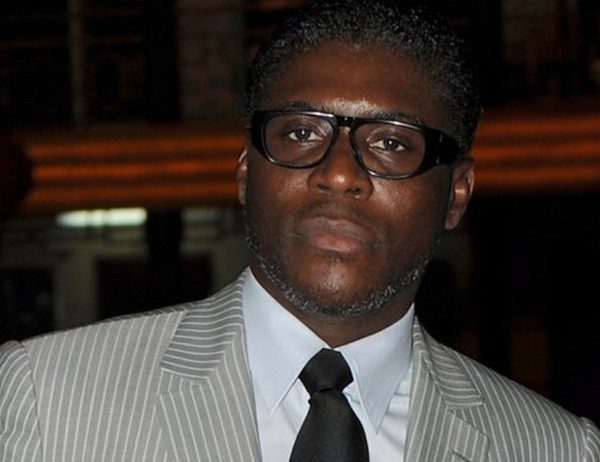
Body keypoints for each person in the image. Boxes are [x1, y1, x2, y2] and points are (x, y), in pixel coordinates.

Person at [1, 1, 598, 460]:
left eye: (392, 143)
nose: (338, 174)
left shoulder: (554, 448)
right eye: (301, 133)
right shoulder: (43, 396)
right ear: (246, 171)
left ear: (456, 194)